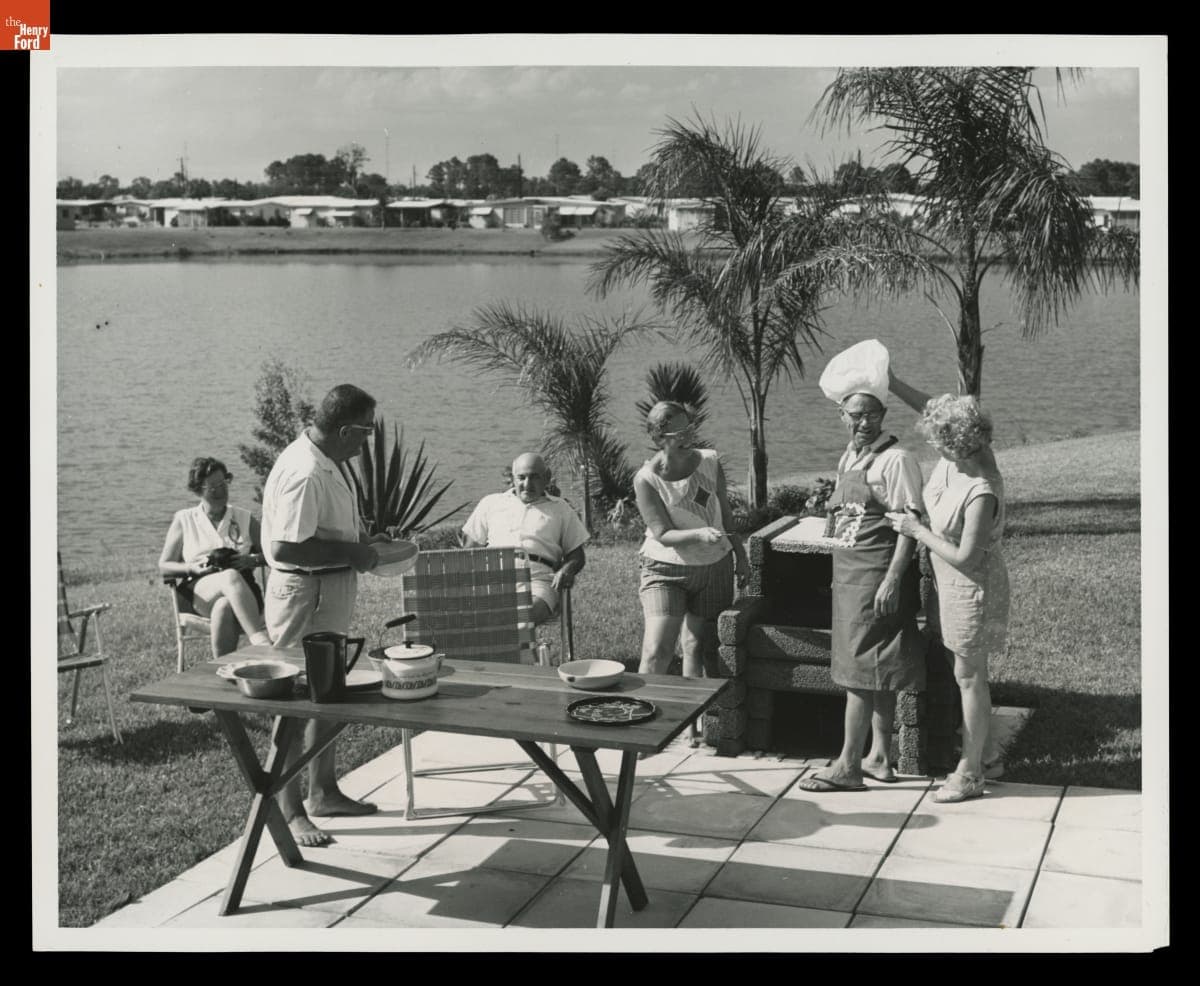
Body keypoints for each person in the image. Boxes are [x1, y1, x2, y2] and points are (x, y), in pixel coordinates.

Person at [261, 383, 392, 846]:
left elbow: (321, 530)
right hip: (305, 593)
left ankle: (324, 791)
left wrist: (362, 544)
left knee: (329, 691)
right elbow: (286, 546)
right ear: (343, 429)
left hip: (327, 587)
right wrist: (352, 553)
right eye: (366, 433)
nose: (367, 442)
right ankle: (291, 808)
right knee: (295, 699)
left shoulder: (326, 460)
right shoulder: (304, 471)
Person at [884, 368, 1011, 804]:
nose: (931, 445)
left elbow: (965, 557)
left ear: (957, 443)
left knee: (969, 675)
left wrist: (914, 530)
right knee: (968, 673)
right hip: (947, 583)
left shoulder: (981, 487)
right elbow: (932, 408)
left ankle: (971, 771)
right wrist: (892, 381)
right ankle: (987, 751)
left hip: (972, 588)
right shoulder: (961, 453)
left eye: (937, 441)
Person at [797, 374, 926, 792]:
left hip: (876, 576)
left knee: (858, 672)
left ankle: (848, 764)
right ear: (842, 417)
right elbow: (845, 517)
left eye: (872, 414)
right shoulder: (849, 457)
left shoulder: (897, 459)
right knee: (876, 668)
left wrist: (892, 579)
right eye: (856, 415)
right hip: (849, 575)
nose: (864, 423)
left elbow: (910, 524)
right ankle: (881, 758)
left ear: (884, 415)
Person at [633, 402, 749, 734]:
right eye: (676, 433)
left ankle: (695, 725)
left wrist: (740, 556)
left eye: (689, 429)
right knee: (657, 649)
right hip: (664, 568)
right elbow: (663, 533)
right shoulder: (646, 479)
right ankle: (640, 725)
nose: (686, 437)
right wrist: (699, 533)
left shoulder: (710, 462)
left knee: (699, 647)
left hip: (714, 566)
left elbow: (725, 514)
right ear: (659, 438)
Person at [158, 457, 272, 658]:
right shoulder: (185, 519)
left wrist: (252, 560)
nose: (221, 491)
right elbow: (164, 566)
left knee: (224, 605)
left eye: (224, 484)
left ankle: (222, 669)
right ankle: (260, 641)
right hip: (200, 590)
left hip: (245, 591)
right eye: (213, 488)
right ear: (198, 490)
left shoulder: (244, 517)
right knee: (229, 577)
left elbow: (273, 554)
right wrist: (191, 568)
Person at [461, 452, 588, 627]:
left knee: (525, 615)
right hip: (494, 578)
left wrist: (567, 570)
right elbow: (469, 550)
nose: (527, 484)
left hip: (538, 581)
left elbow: (577, 556)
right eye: (521, 477)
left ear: (546, 478)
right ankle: (508, 651)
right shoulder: (491, 504)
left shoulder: (560, 509)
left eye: (534, 477)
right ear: (513, 478)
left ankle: (509, 651)